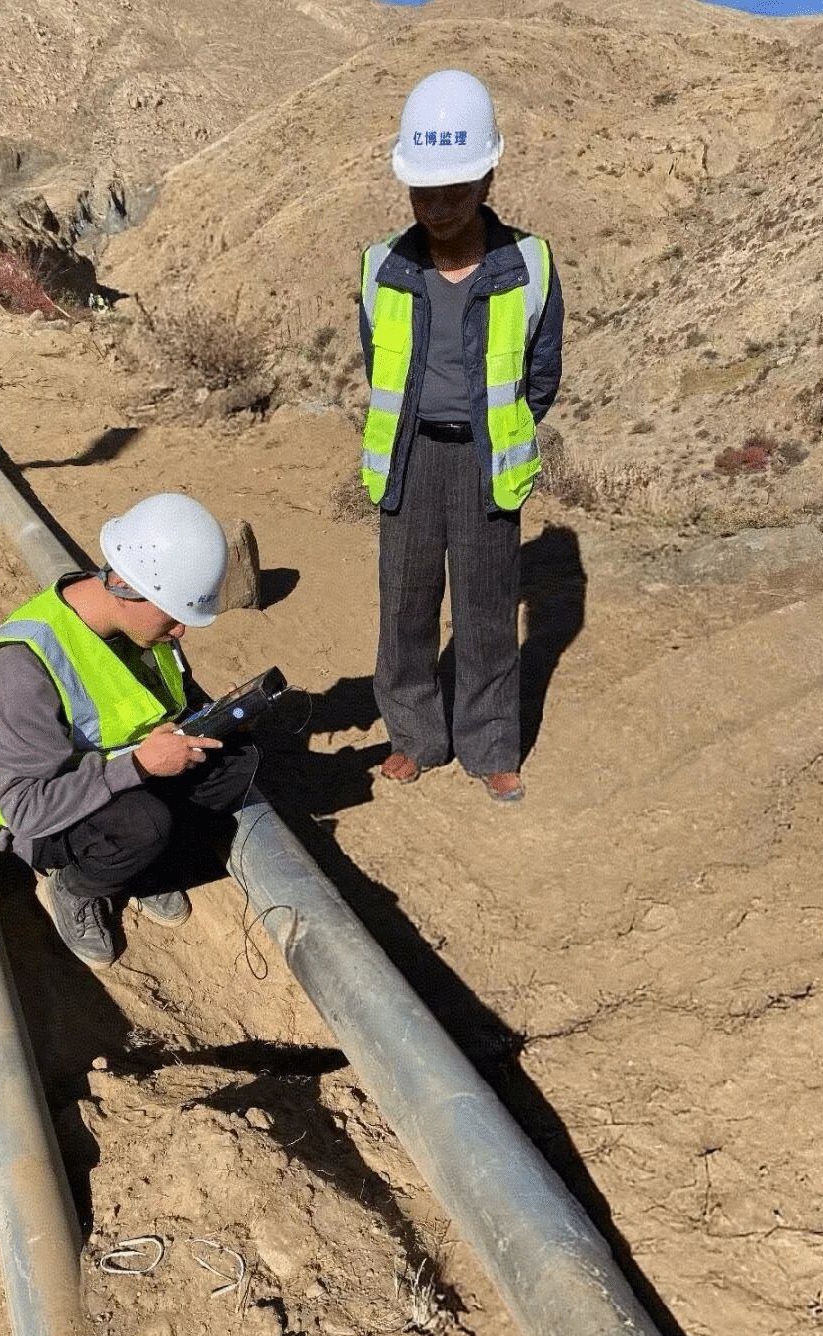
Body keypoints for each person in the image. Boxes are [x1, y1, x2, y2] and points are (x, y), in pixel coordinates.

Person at [359, 69, 564, 802]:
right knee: (405, 605)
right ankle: (414, 736)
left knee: (486, 610)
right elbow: (377, 362)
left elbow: (542, 375)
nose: (439, 208)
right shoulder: (381, 266)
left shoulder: (529, 265)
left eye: (455, 191)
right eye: (425, 193)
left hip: (485, 460)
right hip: (408, 458)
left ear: (487, 179)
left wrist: (498, 430)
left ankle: (491, 745)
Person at [0, 492, 259, 967]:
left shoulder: (143, 625)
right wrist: (139, 766)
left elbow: (159, 703)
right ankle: (76, 888)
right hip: (37, 818)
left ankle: (140, 870)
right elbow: (26, 809)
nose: (181, 631)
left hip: (115, 770)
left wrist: (214, 715)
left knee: (236, 759)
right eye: (173, 613)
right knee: (143, 825)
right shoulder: (22, 666)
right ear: (124, 584)